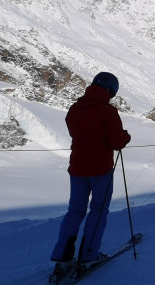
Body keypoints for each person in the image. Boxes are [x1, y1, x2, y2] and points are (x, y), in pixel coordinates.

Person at [49, 72, 131, 281]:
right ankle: (88, 257)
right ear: (111, 90)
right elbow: (117, 142)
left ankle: (63, 258)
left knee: (74, 212)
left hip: (77, 169)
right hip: (100, 171)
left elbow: (75, 132)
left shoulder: (75, 109)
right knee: (98, 211)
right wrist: (126, 136)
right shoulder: (107, 111)